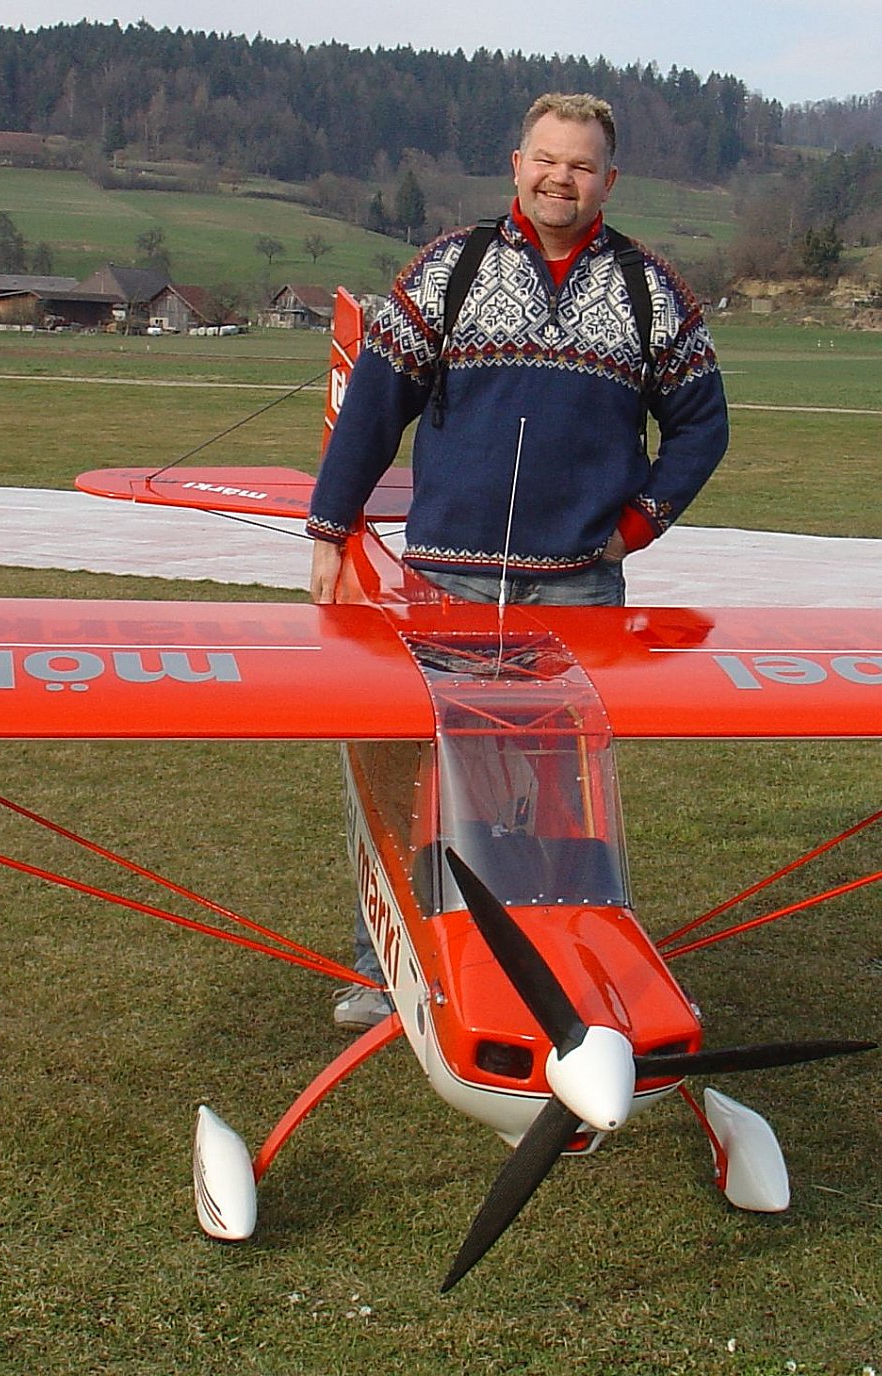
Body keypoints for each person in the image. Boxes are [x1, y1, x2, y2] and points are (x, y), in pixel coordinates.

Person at [311, 91, 730, 1028]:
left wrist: (635, 527)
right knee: (423, 776)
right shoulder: (449, 268)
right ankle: (390, 970)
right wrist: (332, 527)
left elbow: (702, 427)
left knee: (561, 786)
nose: (560, 179)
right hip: (446, 581)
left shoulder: (651, 291)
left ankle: (557, 967)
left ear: (610, 180)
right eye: (546, 159)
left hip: (578, 588)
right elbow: (375, 403)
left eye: (581, 165)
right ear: (517, 165)